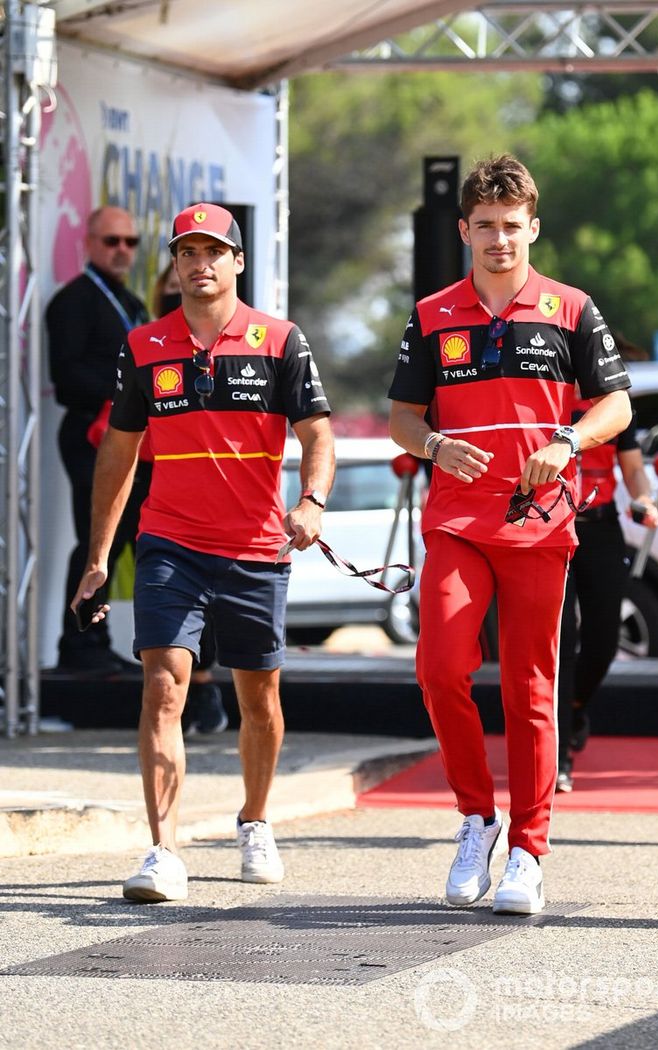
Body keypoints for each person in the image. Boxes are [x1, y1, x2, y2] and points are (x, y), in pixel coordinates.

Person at [388, 154, 632, 915]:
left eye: (512, 226)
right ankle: (475, 817)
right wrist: (431, 445)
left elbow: (617, 407)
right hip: (457, 519)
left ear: (534, 228)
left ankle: (528, 850)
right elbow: (402, 416)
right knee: (439, 668)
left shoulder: (571, 309)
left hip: (541, 523)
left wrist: (566, 441)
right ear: (464, 229)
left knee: (532, 689)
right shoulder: (431, 315)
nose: (500, 240)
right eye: (485, 226)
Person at [72, 202, 334, 902]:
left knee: (260, 699)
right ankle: (163, 850)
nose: (199, 263)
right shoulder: (144, 344)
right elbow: (118, 454)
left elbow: (317, 435)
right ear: (175, 264)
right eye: (187, 251)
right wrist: (99, 554)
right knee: (162, 688)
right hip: (170, 544)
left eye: (213, 251)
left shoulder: (281, 341)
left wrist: (311, 502)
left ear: (237, 262)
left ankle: (254, 819)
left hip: (255, 548)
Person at [47, 206, 150, 674]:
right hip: (90, 434)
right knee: (96, 541)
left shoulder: (130, 302)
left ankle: (97, 639)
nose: (122, 250)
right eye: (112, 241)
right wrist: (126, 394)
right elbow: (66, 376)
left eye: (130, 241)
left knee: (123, 535)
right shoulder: (73, 301)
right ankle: (79, 646)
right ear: (88, 243)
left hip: (130, 438)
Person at [556, 388, 658, 792]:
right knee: (560, 646)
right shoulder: (543, 393)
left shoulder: (614, 406)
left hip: (601, 527)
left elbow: (633, 469)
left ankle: (576, 707)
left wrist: (643, 499)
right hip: (550, 526)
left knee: (603, 642)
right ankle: (559, 756)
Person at [151, 259, 229, 736]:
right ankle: (180, 703)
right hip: (156, 496)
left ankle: (206, 691)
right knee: (165, 645)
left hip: (221, 508)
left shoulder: (245, 344)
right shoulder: (147, 344)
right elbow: (120, 434)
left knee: (216, 605)